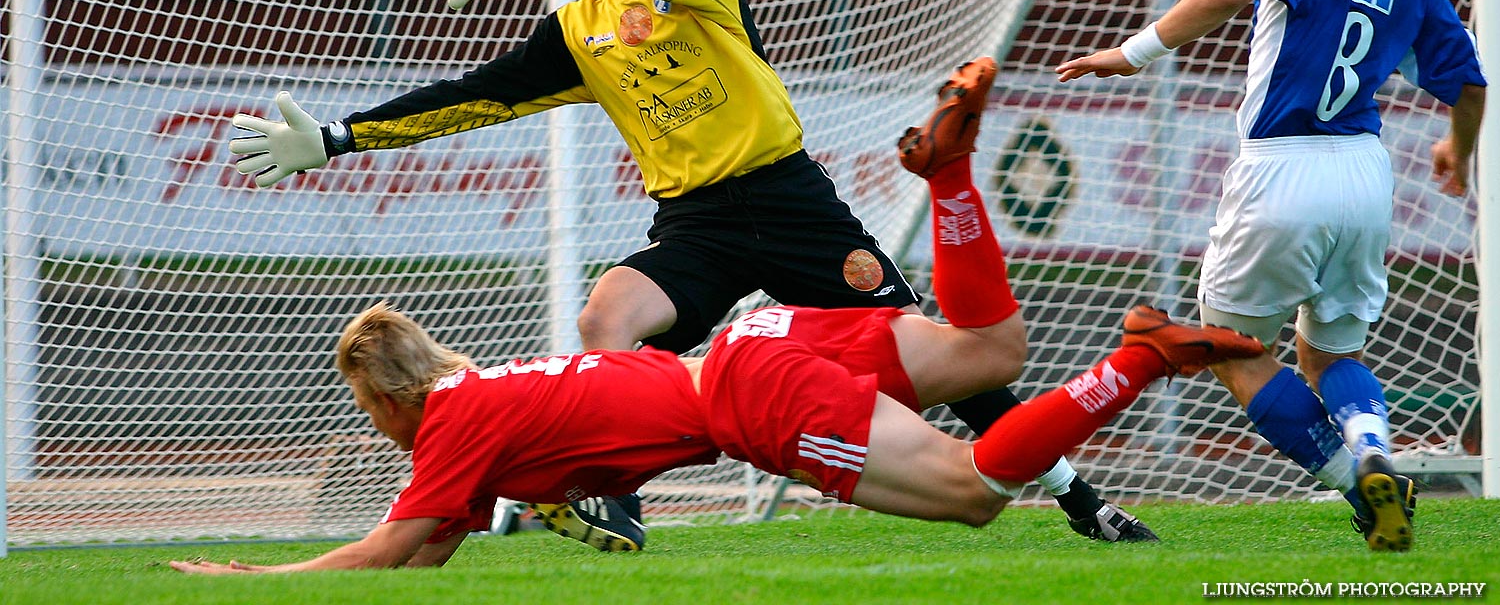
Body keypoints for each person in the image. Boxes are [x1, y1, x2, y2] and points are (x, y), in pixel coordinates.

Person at [228, 0, 1145, 542]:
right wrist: (339, 136)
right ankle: (619, 504)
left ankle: (1080, 500)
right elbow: (475, 96)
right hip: (696, 223)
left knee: (963, 364)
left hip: (788, 201)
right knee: (611, 315)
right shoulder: (576, 31)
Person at [1056, 0, 1485, 553]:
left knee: (1228, 342)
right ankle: (1373, 446)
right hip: (1364, 172)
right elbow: (1470, 80)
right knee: (1332, 352)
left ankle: (1358, 485)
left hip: (1282, 167)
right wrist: (1460, 144)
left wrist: (1132, 53)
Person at [169, 294, 1262, 573]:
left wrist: (254, 568)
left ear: (392, 393)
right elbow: (437, 544)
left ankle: (1138, 354)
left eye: (368, 408)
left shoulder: (452, 416)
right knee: (986, 356)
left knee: (977, 488)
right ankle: (959, 180)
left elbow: (395, 542)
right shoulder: (479, 397)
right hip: (747, 357)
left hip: (749, 396)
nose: (375, 426)